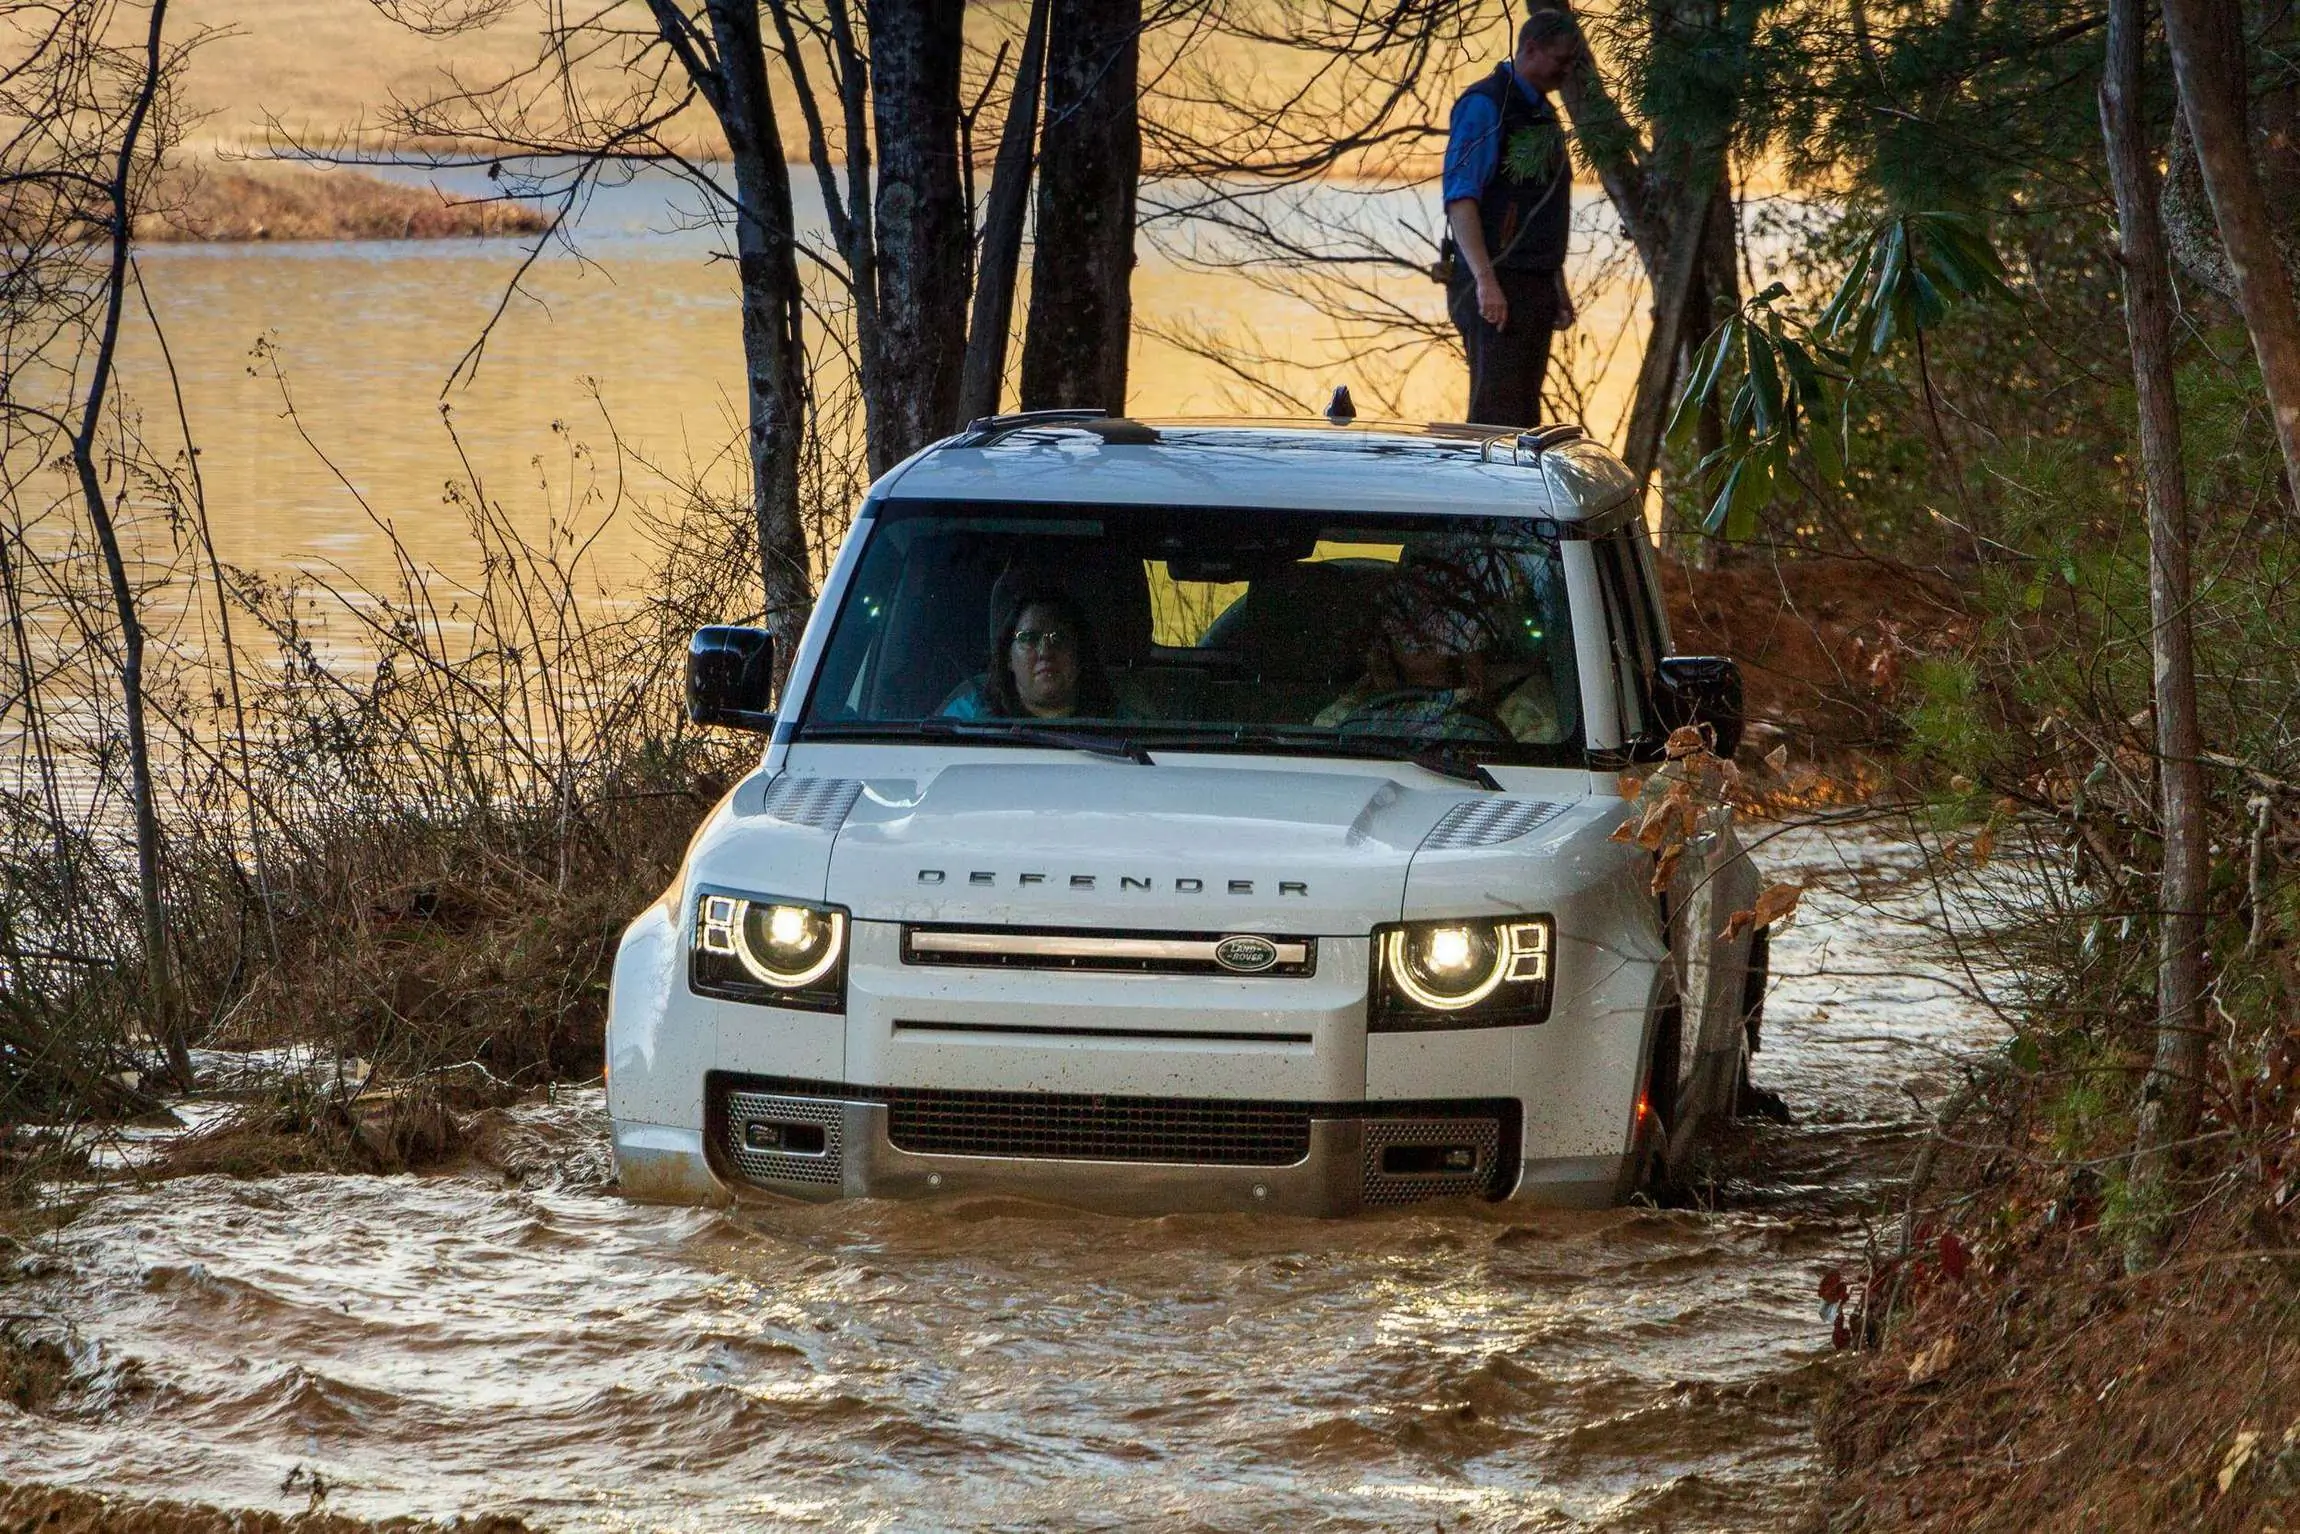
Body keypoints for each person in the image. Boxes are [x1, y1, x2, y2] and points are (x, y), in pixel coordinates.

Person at [1442, 11, 1583, 428]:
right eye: (1561, 59)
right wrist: (1486, 282)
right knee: (1493, 415)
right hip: (1496, 284)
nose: (1566, 70)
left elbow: (1544, 211)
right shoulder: (1486, 105)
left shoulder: (1543, 113)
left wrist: (1555, 285)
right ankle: (1483, 493)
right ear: (1530, 49)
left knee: (1523, 417)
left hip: (1533, 284)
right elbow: (1461, 199)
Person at [1315, 550, 1561, 744]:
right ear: (1386, 637)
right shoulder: (1347, 716)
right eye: (1406, 615)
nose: (1423, 630)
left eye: (1442, 617)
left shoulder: (1524, 712)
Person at [939, 585, 1121, 720]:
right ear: (1008, 657)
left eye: (1058, 638)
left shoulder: (1124, 724)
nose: (1045, 652)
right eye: (1029, 638)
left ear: (1079, 652)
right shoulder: (968, 717)